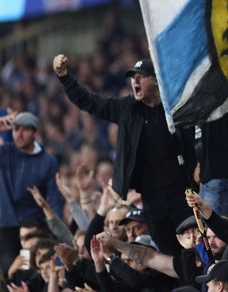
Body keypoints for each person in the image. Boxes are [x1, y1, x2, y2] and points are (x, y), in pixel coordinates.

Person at [53, 55, 196, 255]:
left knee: (193, 245)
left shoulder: (174, 107)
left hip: (181, 193)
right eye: (132, 77)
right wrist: (64, 76)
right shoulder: (128, 109)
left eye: (141, 76)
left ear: (155, 80)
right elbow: (89, 102)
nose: (134, 80)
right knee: (167, 252)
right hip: (151, 199)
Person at [0, 111, 61, 275]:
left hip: (33, 229)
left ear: (35, 132)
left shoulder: (47, 162)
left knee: (28, 272)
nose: (19, 134)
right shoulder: (5, 152)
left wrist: (57, 230)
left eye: (24, 129)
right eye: (15, 129)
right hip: (7, 228)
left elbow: (54, 199)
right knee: (11, 272)